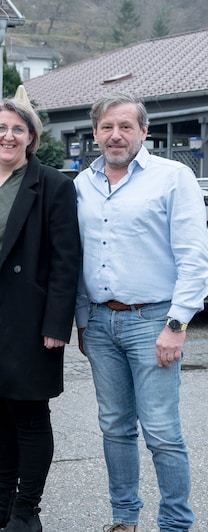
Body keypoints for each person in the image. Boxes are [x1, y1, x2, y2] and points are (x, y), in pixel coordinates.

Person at [75, 92, 208, 532]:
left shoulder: (173, 177)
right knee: (114, 427)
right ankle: (124, 517)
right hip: (98, 321)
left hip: (153, 320)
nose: (116, 135)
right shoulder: (81, 184)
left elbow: (194, 258)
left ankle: (174, 523)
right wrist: (81, 319)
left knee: (162, 431)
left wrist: (176, 325)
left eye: (126, 127)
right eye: (107, 127)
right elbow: (75, 258)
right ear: (95, 133)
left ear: (143, 132)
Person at [0, 95, 80, 532]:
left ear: (31, 138)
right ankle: (1, 504)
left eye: (18, 129)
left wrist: (56, 325)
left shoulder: (53, 186)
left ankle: (27, 512)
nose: (8, 136)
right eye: (0, 128)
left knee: (29, 416)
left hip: (29, 326)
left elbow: (67, 261)